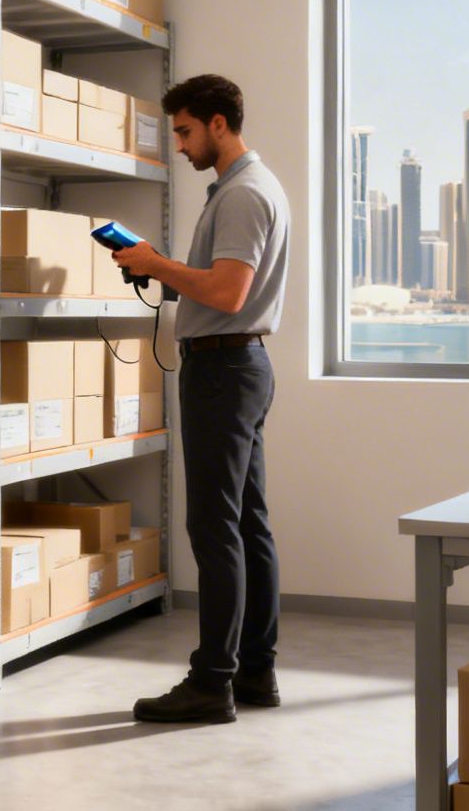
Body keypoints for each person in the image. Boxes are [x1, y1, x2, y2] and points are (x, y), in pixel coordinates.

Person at [112, 74, 290, 725]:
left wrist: (157, 266)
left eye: (185, 131)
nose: (180, 145)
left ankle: (211, 682)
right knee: (247, 525)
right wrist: (160, 267)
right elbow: (221, 287)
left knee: (214, 531)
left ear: (219, 124)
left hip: (223, 371)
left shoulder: (243, 195)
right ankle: (255, 674)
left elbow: (228, 292)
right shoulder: (246, 189)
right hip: (238, 366)